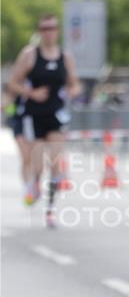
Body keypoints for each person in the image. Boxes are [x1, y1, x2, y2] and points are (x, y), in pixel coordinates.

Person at [6, 13, 81, 226]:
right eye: (44, 28)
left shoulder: (65, 57)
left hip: (55, 114)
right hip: (33, 115)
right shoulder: (30, 55)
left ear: (57, 31)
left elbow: (74, 83)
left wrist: (72, 92)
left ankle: (50, 209)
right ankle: (34, 185)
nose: (48, 32)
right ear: (40, 32)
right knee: (36, 164)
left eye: (52, 28)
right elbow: (13, 83)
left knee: (56, 162)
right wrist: (32, 94)